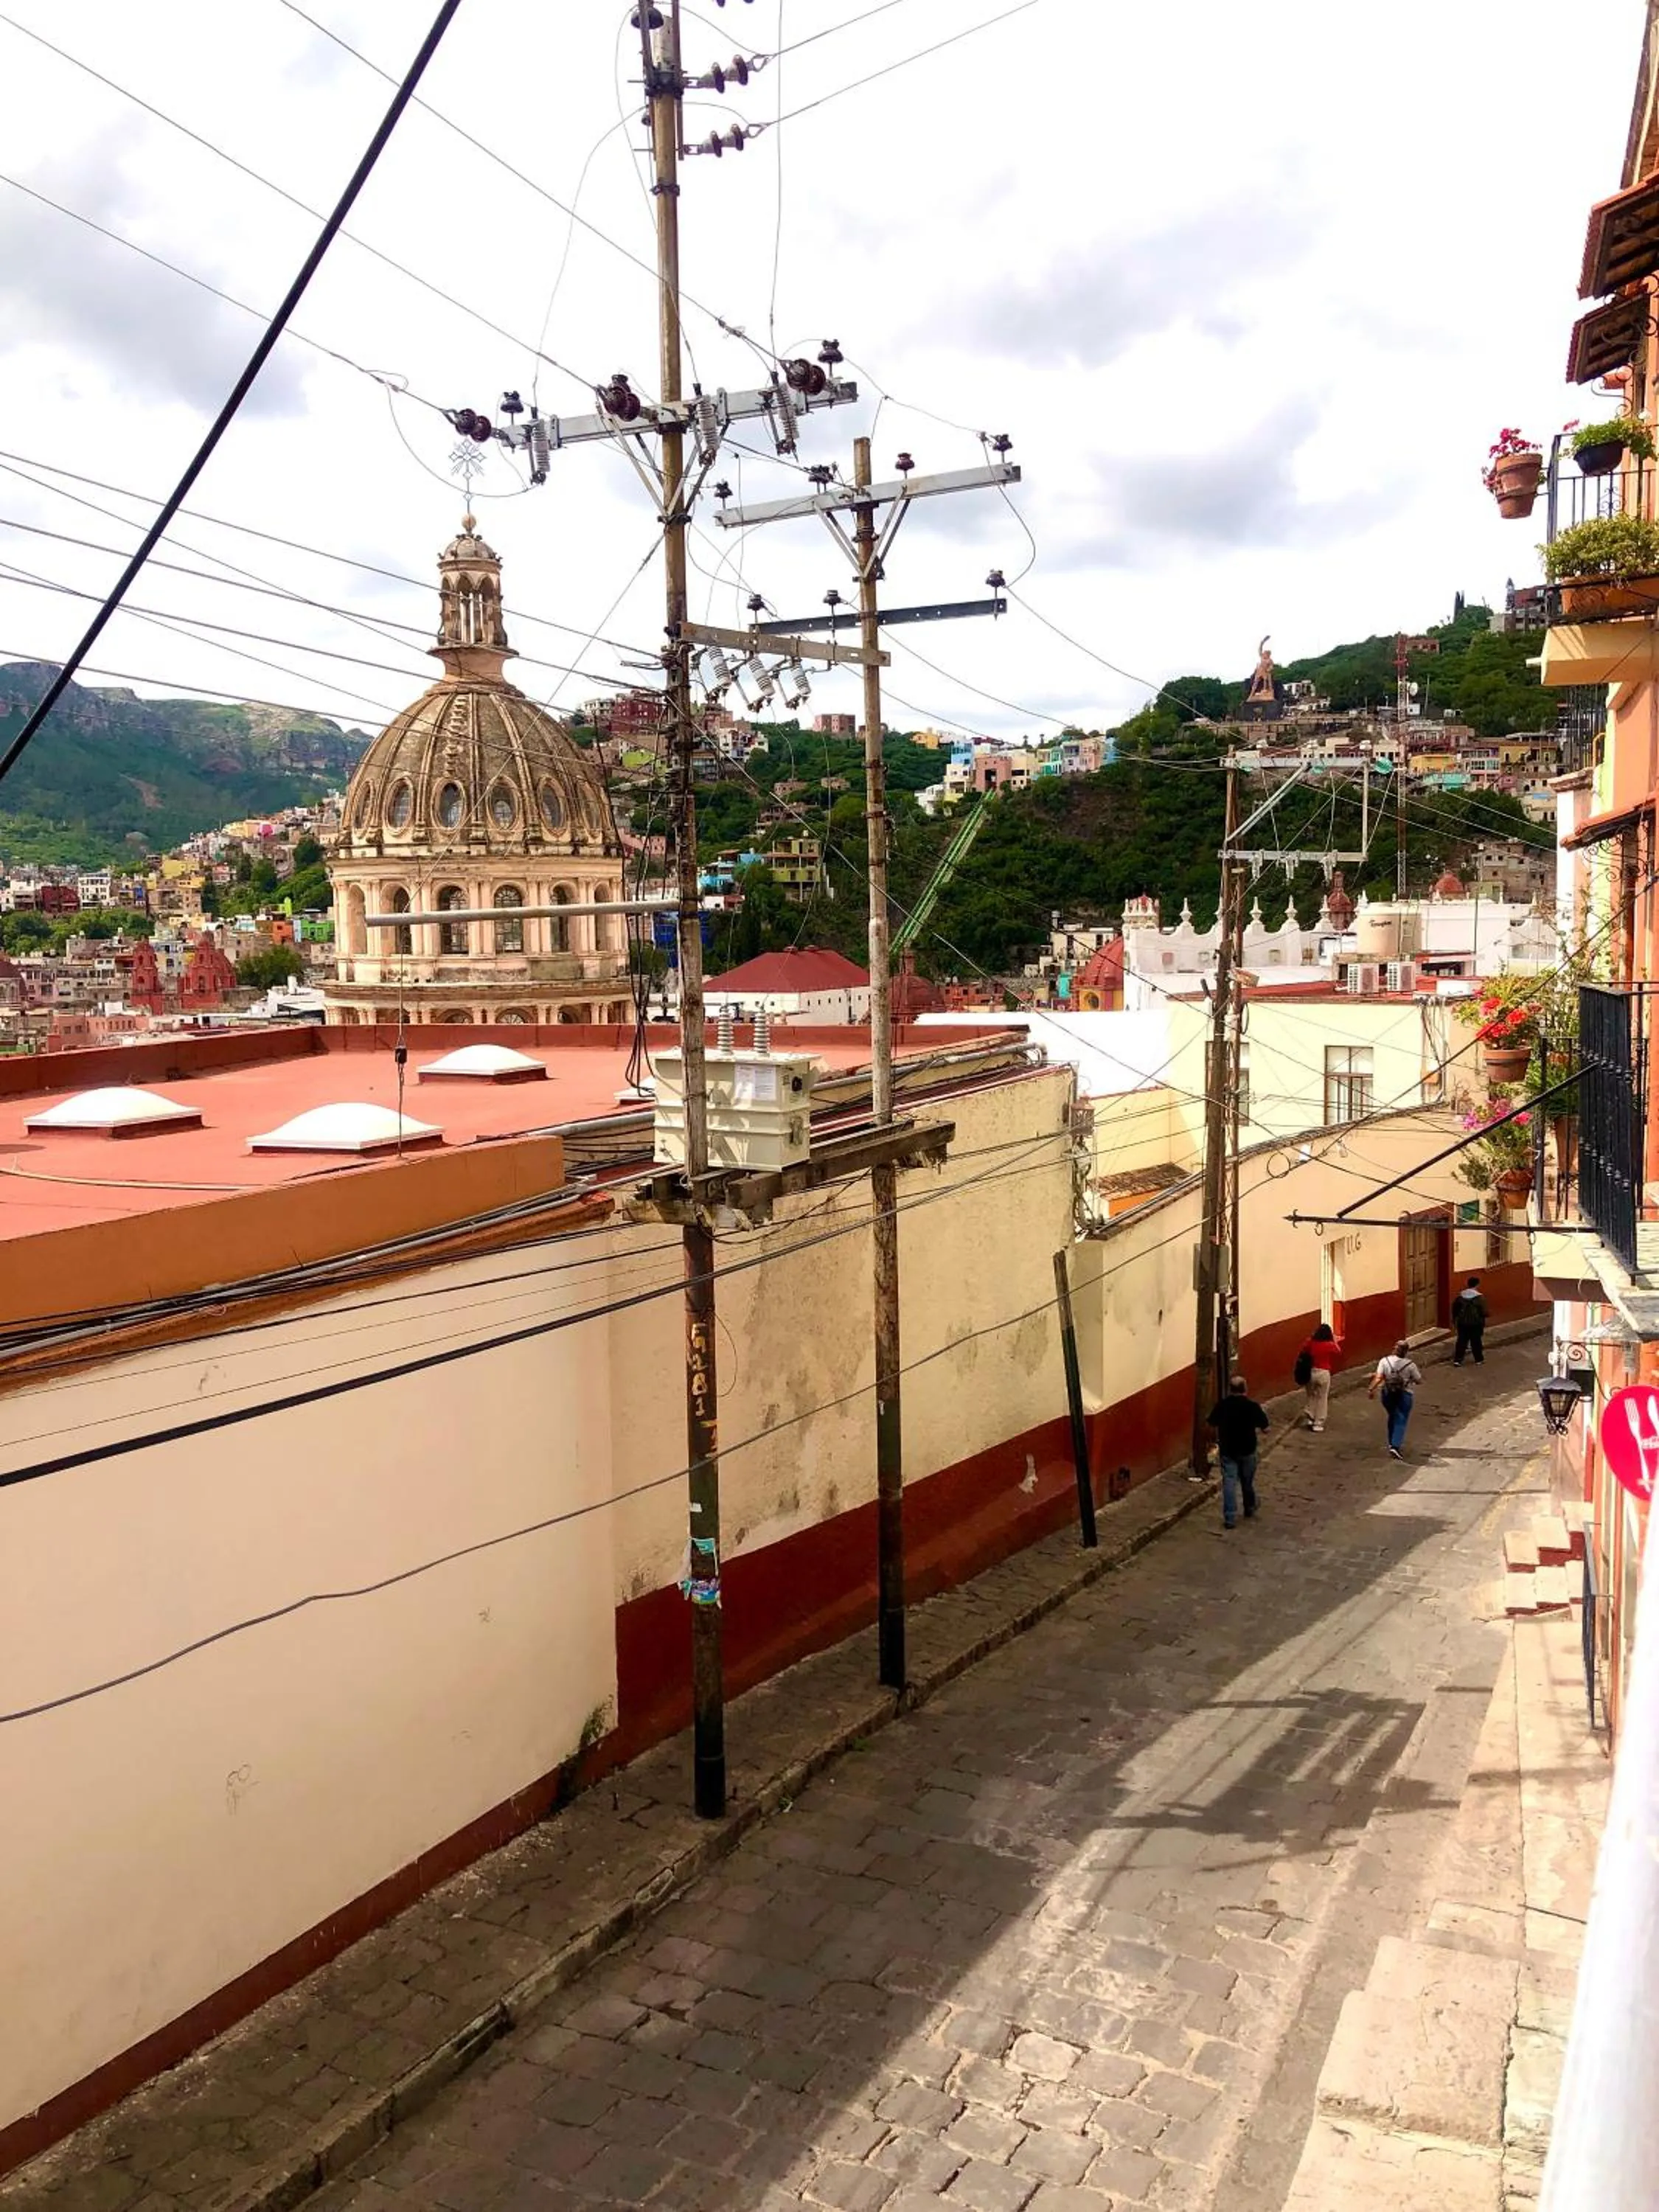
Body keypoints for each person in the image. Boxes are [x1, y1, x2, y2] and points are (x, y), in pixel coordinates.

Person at [1208, 1373, 1270, 1529]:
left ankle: (1230, 1517)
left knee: (1229, 1483)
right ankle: (1249, 1506)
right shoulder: (1252, 1406)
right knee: (1247, 1481)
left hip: (1228, 1450)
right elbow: (1266, 1428)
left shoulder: (1223, 1405)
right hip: (1247, 1449)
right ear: (1245, 1389)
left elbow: (1211, 1422)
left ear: (1230, 1389)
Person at [1368, 1339, 1424, 1459]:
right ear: (1406, 1352)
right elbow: (1419, 1380)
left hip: (1387, 1394)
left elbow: (1378, 1378)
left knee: (1393, 1416)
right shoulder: (1410, 1365)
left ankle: (1391, 1441)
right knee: (1401, 1419)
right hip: (1404, 1394)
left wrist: (1371, 1389)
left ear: (1394, 1349)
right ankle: (1395, 1446)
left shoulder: (1384, 1361)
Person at [1297, 1321, 1342, 1431]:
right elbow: (1338, 1351)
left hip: (1311, 1371)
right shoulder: (1329, 1345)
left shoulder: (1311, 1342)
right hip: (1324, 1373)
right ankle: (1318, 1422)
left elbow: (1303, 1349)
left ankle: (1310, 1415)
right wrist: (1334, 1340)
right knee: (1322, 1398)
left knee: (1311, 1395)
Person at [1452, 1275, 1488, 1367]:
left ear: (1467, 1284)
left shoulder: (1460, 1297)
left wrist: (1454, 1319)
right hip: (1476, 1323)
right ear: (1477, 1285)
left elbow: (1455, 1309)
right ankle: (1479, 1359)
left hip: (1462, 1323)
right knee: (1476, 1341)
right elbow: (1484, 1311)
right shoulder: (1480, 1298)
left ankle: (1458, 1360)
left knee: (1461, 1341)